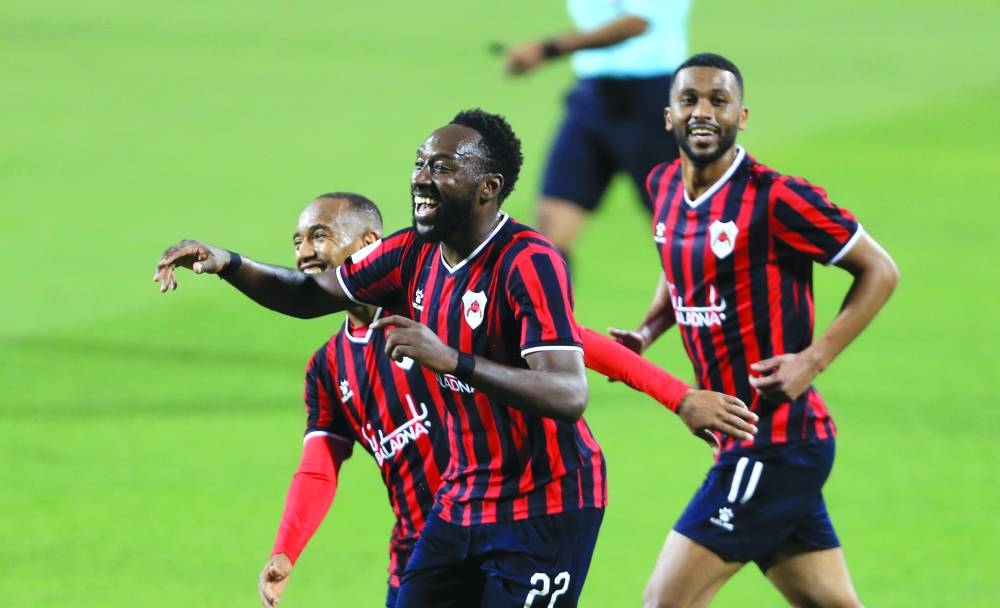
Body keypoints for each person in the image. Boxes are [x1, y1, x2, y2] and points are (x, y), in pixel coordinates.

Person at [155, 109, 756, 607]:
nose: (421, 178)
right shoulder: (408, 257)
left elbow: (570, 390)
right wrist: (228, 263)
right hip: (462, 502)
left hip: (546, 503)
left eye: (440, 168)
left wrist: (452, 361)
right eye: (419, 164)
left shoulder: (527, 261)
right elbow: (309, 295)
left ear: (487, 187)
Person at [254, 193, 758, 607]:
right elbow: (320, 466)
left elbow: (576, 342)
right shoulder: (328, 367)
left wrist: (678, 396)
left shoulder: (432, 298)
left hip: (511, 517)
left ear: (369, 244)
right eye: (297, 242)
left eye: (319, 236)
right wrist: (286, 550)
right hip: (424, 545)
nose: (304, 254)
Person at [610, 53, 900, 607]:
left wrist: (811, 361)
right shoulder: (663, 184)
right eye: (689, 99)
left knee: (662, 603)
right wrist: (646, 333)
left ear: (741, 116)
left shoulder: (776, 197)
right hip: (755, 441)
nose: (702, 111)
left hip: (772, 442)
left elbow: (880, 270)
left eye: (718, 100)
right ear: (668, 116)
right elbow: (680, 265)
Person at [504, 0, 691, 267]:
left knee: (684, 229)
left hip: (652, 101)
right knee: (549, 232)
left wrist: (547, 49)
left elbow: (638, 22)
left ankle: (714, 291)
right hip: (592, 95)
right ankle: (548, 295)